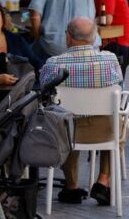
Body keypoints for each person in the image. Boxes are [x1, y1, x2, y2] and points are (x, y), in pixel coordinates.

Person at [40, 17, 122, 205]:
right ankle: (103, 180)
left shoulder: (53, 64)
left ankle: (71, 187)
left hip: (68, 135)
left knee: (65, 119)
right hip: (105, 133)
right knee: (115, 117)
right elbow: (120, 88)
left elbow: (44, 92)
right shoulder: (110, 60)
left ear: (68, 38)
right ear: (95, 39)